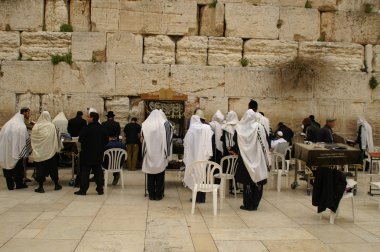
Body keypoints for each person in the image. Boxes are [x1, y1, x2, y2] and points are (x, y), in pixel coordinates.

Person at [231, 109, 270, 211]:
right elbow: (266, 142)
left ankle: (248, 205)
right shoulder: (260, 127)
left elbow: (235, 143)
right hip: (259, 158)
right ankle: (255, 203)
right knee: (258, 180)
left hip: (245, 159)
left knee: (247, 182)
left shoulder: (239, 128)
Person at [141, 110, 173, 200]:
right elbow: (168, 141)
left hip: (149, 154)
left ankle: (151, 195)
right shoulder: (166, 124)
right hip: (161, 154)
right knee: (160, 175)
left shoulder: (145, 125)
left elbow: (142, 141)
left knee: (150, 175)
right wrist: (168, 155)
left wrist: (143, 155)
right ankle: (159, 195)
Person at [75, 112, 108, 195]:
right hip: (98, 153)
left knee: (85, 172)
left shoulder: (86, 128)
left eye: (88, 117)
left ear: (92, 118)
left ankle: (83, 190)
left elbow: (80, 139)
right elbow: (106, 140)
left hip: (87, 154)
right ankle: (100, 189)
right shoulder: (102, 128)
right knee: (98, 171)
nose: (87, 118)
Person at [183, 115, 214, 203]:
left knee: (195, 177)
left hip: (194, 157)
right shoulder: (206, 128)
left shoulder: (191, 129)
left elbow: (186, 143)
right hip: (204, 157)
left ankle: (196, 197)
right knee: (203, 176)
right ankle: (202, 198)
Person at [31, 111, 62, 193]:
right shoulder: (52, 126)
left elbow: (33, 138)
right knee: (53, 169)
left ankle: (40, 187)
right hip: (50, 152)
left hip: (39, 153)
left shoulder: (36, 127)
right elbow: (56, 137)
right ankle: (56, 185)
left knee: (40, 169)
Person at [0, 112, 31, 190]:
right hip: (17, 151)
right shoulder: (21, 126)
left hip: (6, 151)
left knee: (7, 166)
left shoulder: (6, 125)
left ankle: (10, 185)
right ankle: (19, 184)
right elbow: (25, 139)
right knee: (18, 168)